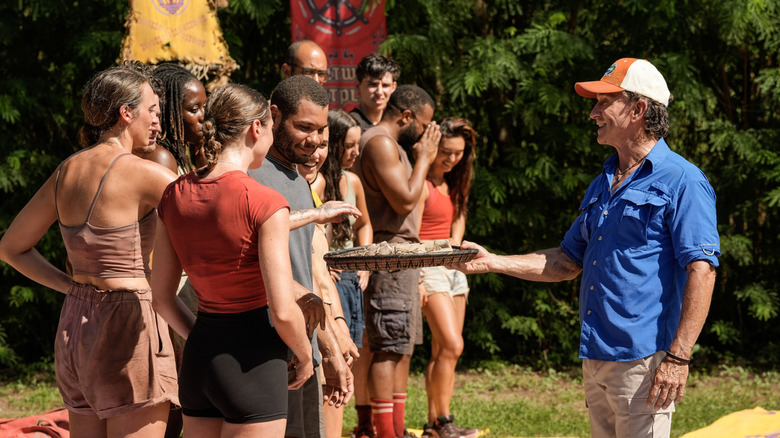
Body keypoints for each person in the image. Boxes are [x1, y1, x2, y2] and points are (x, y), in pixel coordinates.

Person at [453, 58, 720, 438]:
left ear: (638, 109)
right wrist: (493, 261)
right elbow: (566, 260)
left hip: (645, 357)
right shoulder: (603, 182)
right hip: (596, 354)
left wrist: (678, 357)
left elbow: (702, 270)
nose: (593, 113)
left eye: (604, 102)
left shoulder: (683, 180)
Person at [0, 62, 179, 437]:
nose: (158, 122)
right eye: (152, 111)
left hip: (76, 322)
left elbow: (11, 247)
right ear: (126, 113)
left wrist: (71, 286)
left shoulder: (67, 170)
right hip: (129, 323)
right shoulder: (149, 174)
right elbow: (216, 221)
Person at [151, 83, 314, 437]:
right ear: (256, 129)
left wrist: (205, 339)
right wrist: (305, 356)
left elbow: (161, 297)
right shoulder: (265, 201)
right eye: (270, 128)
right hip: (254, 361)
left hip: (200, 357)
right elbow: (283, 310)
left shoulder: (174, 194)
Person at [248, 75, 358, 438]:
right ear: (274, 116)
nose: (314, 139)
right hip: (265, 345)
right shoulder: (253, 175)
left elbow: (307, 269)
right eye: (304, 127)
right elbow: (254, 267)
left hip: (301, 346)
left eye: (321, 130)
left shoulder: (298, 178)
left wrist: (327, 341)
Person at [351, 84, 441, 438]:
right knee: (388, 348)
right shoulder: (380, 143)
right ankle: (384, 432)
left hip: (403, 258)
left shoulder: (393, 145)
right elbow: (404, 201)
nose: (425, 134)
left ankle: (397, 429)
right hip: (388, 254)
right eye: (424, 125)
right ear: (406, 117)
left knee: (402, 346)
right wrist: (425, 158)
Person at [311, 109, 374, 438]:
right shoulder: (318, 182)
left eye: (357, 145)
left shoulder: (354, 182)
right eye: (349, 145)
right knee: (332, 367)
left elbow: (364, 224)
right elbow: (311, 235)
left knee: (348, 358)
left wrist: (364, 260)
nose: (355, 152)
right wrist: (323, 265)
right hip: (328, 281)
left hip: (351, 279)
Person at [297, 125, 361, 438]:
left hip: (323, 316)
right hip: (300, 325)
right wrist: (332, 340)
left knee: (332, 401)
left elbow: (321, 273)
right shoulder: (286, 193)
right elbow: (307, 277)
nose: (315, 153)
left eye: (322, 145)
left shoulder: (313, 188)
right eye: (308, 143)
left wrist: (340, 326)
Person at [416, 118, 478, 438]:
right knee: (453, 345)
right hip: (427, 266)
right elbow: (409, 232)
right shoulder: (420, 182)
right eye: (446, 152)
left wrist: (455, 244)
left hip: (454, 266)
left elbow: (459, 215)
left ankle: (433, 424)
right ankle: (445, 420)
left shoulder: (454, 182)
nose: (452, 159)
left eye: (458, 153)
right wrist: (416, 278)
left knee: (443, 349)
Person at [153, 63, 208, 173]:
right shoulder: (162, 158)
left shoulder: (177, 153)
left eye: (205, 107)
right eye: (194, 110)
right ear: (170, 113)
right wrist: (205, 172)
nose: (204, 117)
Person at [350, 54, 400, 132]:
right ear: (358, 85)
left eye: (385, 85)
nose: (379, 92)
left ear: (393, 87)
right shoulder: (349, 126)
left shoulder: (396, 127)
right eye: (373, 85)